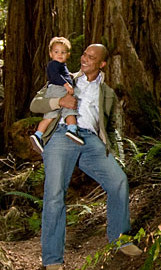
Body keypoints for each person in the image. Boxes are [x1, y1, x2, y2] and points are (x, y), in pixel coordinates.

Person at [30, 44, 142, 270]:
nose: (84, 59)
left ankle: (120, 239)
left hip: (91, 141)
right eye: (84, 55)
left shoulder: (107, 93)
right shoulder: (64, 78)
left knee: (118, 181)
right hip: (62, 135)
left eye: (91, 57)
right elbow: (35, 104)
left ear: (101, 64)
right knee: (54, 195)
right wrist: (59, 102)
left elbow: (108, 127)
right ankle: (53, 260)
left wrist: (114, 151)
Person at [30, 36, 84, 153]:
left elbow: (61, 74)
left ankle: (38, 135)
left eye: (63, 52)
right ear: (50, 54)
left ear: (68, 55)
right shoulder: (54, 64)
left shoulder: (60, 66)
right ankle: (72, 130)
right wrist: (66, 85)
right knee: (69, 110)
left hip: (54, 90)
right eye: (56, 52)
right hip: (59, 89)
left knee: (50, 116)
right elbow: (54, 76)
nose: (60, 54)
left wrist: (68, 75)